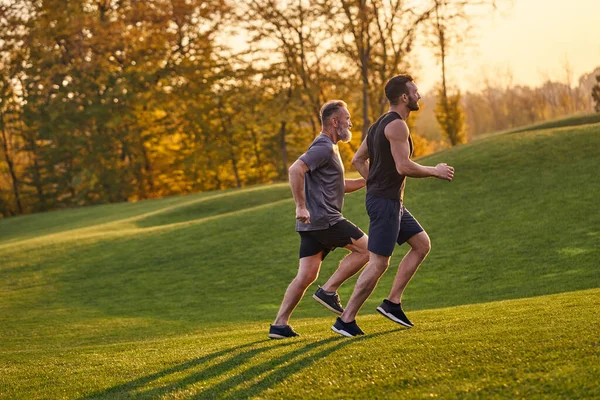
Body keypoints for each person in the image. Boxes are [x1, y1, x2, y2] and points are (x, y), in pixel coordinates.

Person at [331, 75, 455, 337]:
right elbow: (404, 166)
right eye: (415, 91)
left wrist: (374, 181)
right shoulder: (397, 126)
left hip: (389, 200)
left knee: (422, 244)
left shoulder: (377, 126)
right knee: (378, 263)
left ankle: (392, 302)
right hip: (385, 202)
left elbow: (357, 159)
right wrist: (435, 170)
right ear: (404, 97)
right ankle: (346, 319)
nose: (419, 95)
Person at [269, 100, 370, 339]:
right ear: (335, 122)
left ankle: (279, 325)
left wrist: (369, 180)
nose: (350, 122)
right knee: (369, 250)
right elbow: (296, 169)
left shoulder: (329, 148)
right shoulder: (324, 146)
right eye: (346, 118)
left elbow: (339, 186)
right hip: (326, 219)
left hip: (314, 224)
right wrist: (300, 207)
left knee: (305, 276)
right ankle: (328, 290)